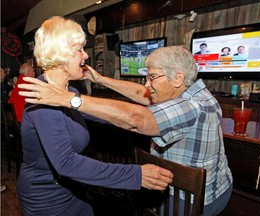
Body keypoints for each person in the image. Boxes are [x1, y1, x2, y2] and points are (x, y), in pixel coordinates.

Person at [19, 44, 233, 215]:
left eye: (152, 77)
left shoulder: (191, 106)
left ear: (177, 78)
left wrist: (68, 99)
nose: (147, 84)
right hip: (186, 188)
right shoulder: (187, 90)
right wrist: (101, 79)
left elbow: (137, 119)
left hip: (194, 200)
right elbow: (143, 94)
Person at [15, 16, 173, 216]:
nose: (85, 56)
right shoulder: (44, 98)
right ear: (61, 56)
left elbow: (103, 115)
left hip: (72, 187)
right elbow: (66, 163)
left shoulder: (68, 91)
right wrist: (136, 175)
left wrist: (142, 114)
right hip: (46, 195)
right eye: (79, 49)